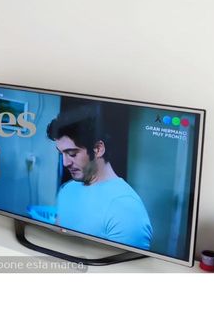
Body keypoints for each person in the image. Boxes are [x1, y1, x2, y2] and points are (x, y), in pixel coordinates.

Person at [46, 105, 153, 250]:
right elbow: (58, 242)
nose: (65, 163)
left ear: (98, 149)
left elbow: (127, 263)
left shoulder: (125, 207)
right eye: (61, 154)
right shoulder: (67, 189)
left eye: (72, 154)